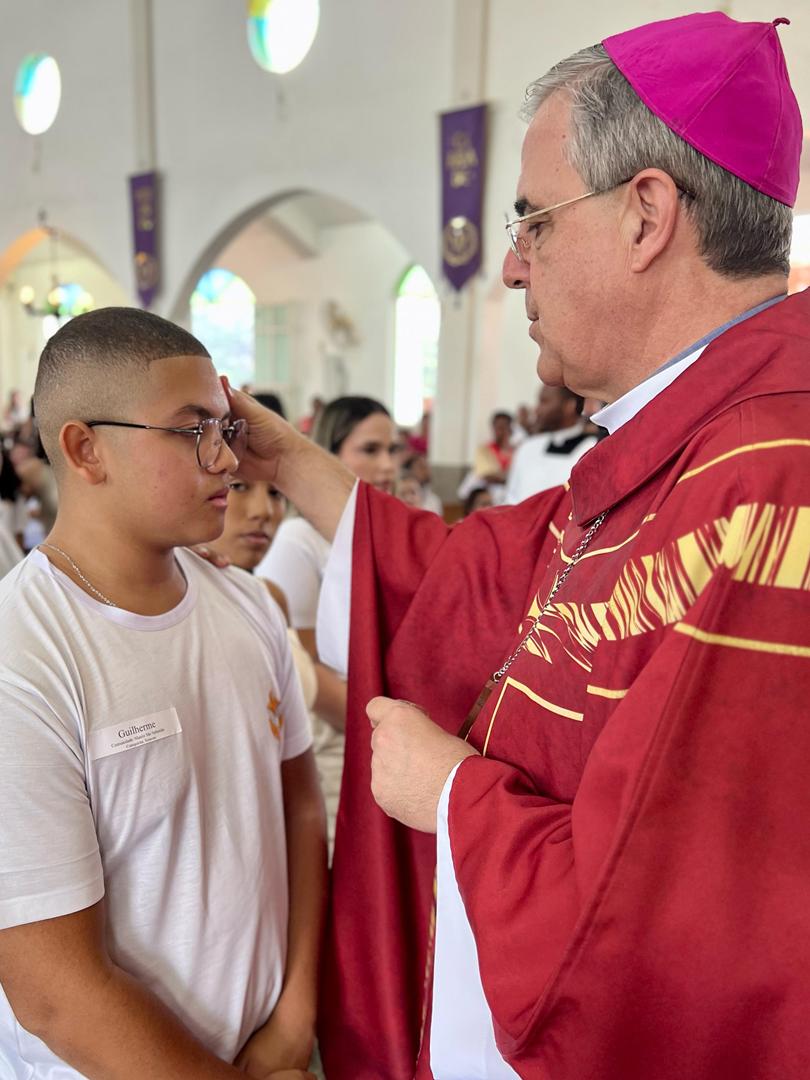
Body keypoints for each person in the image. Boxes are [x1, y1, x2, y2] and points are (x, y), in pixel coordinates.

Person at [221, 11, 810, 1079]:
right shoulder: (688, 440)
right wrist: (292, 461)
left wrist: (452, 795)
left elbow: (688, 922)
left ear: (646, 215)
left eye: (534, 221)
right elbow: (485, 577)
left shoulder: (771, 476)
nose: (510, 268)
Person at [0, 307, 324, 1080]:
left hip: (270, 1048)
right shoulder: (26, 654)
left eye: (226, 427)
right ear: (86, 449)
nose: (228, 460)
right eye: (191, 431)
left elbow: (301, 808)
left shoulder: (246, 604)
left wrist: (294, 1020)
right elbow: (56, 992)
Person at [255, 395, 400, 849]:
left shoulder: (384, 538)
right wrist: (389, 724)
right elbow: (305, 670)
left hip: (384, 735)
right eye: (370, 450)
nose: (387, 466)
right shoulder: (300, 539)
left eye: (393, 451)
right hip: (337, 740)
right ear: (328, 456)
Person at [504, 385, 598, 503]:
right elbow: (511, 499)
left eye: (544, 402)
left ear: (569, 406)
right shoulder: (527, 447)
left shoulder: (591, 449)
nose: (537, 410)